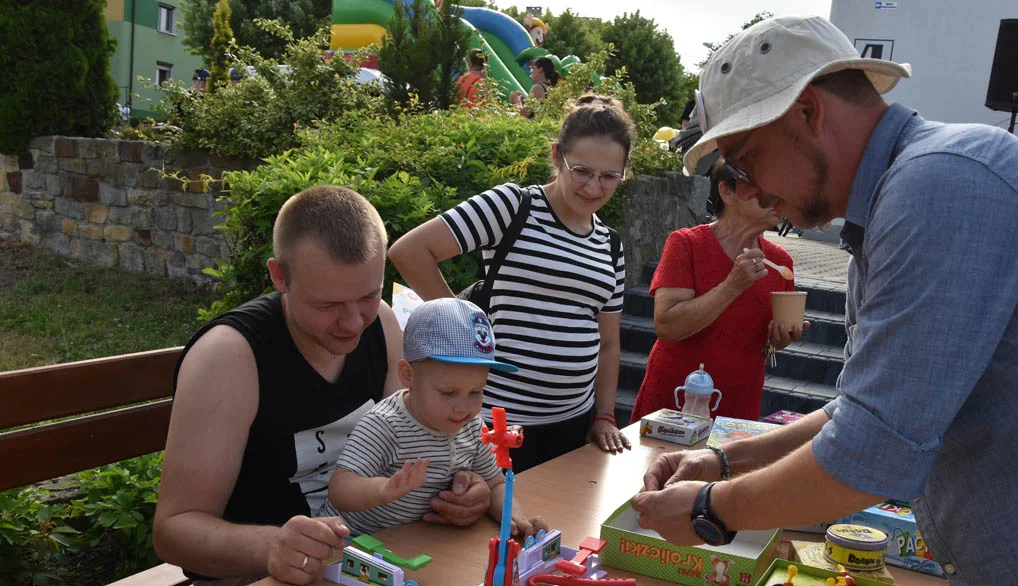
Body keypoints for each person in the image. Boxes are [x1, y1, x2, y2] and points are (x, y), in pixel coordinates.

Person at [631, 16, 1018, 586]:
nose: (751, 190)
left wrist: (709, 510)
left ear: (808, 110)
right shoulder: (909, 194)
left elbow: (869, 454)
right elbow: (859, 408)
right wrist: (725, 462)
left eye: (747, 158)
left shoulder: (938, 188)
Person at [153, 185, 493, 586]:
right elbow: (174, 531)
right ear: (280, 276)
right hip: (255, 581)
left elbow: (415, 437)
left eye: (368, 295)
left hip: (375, 556)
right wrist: (274, 545)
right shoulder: (229, 357)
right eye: (328, 304)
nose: (352, 323)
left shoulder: (382, 325)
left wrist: (463, 487)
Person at [389, 96, 635, 473]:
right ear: (557, 156)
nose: (594, 187)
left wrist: (604, 415)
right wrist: (462, 327)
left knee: (554, 530)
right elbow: (409, 251)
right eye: (582, 171)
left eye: (609, 176)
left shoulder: (611, 245)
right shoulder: (512, 207)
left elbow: (610, 343)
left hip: (573, 425)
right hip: (496, 423)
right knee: (487, 527)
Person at [321, 297, 546, 539]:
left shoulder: (471, 426)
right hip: (352, 545)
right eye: (448, 393)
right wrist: (383, 489)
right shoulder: (386, 424)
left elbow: (495, 484)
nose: (463, 408)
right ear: (408, 376)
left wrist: (515, 519)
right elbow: (340, 488)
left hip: (418, 545)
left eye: (476, 392)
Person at [629, 160, 805, 423]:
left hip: (738, 405)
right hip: (677, 402)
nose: (778, 200)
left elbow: (767, 341)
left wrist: (778, 339)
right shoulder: (686, 244)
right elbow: (667, 326)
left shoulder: (781, 263)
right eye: (765, 190)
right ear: (727, 192)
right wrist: (732, 285)